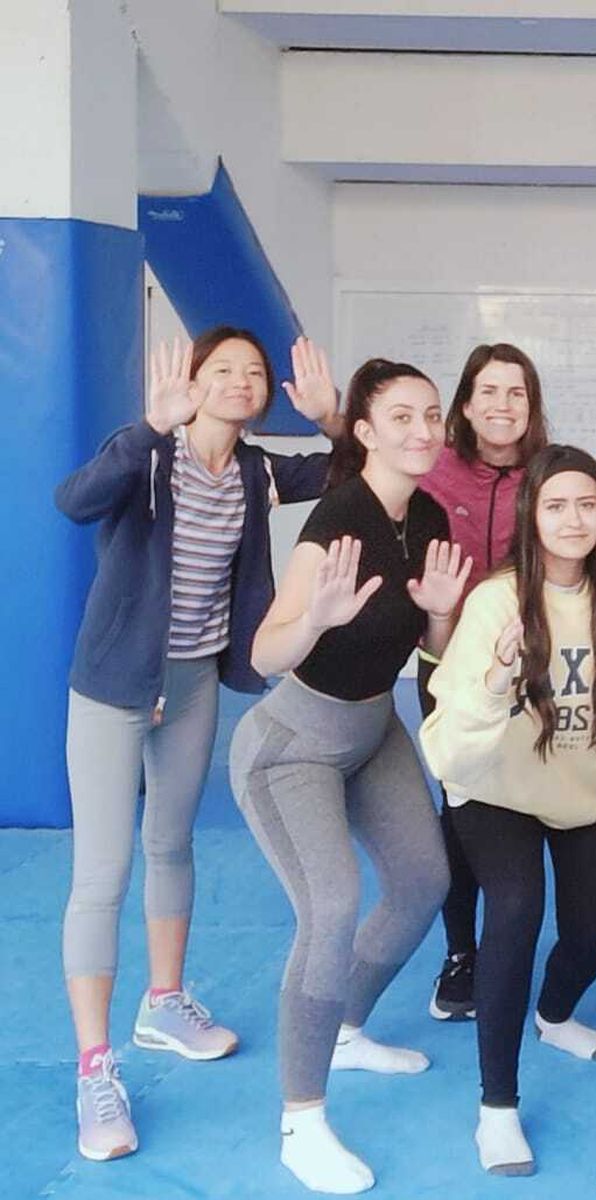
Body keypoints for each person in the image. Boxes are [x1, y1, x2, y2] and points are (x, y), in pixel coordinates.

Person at [54, 329, 338, 1162]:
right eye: (226, 371)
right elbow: (74, 501)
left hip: (191, 682)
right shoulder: (146, 455)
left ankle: (164, 1002)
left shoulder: (255, 471)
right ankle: (94, 1067)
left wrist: (334, 418)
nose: (243, 384)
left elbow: (349, 473)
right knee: (102, 874)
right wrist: (149, 426)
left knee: (172, 843)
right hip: (112, 684)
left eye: (255, 374)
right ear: (193, 381)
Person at [230, 358, 470, 1195]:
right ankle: (302, 1119)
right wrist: (317, 619)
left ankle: (347, 1026)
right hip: (291, 743)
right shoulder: (335, 520)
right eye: (401, 416)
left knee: (422, 882)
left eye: (432, 415)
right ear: (363, 433)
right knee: (329, 906)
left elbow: (434, 646)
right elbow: (263, 655)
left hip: (375, 728)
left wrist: (440, 609)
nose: (422, 430)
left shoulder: (429, 513)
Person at [419, 444, 596, 1176]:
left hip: (591, 788)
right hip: (498, 788)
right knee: (517, 911)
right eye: (556, 505)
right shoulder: (497, 599)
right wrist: (499, 680)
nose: (573, 519)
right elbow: (450, 743)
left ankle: (554, 1014)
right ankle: (496, 1108)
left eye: (587, 505)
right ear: (532, 515)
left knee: (592, 934)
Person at [415, 342, 550, 1023]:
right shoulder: (433, 473)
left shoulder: (549, 476)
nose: (502, 406)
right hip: (446, 664)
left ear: (532, 406)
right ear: (465, 406)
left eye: (516, 393)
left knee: (525, 806)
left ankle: (520, 941)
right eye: (489, 392)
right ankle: (462, 953)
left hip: (534, 667)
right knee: (462, 812)